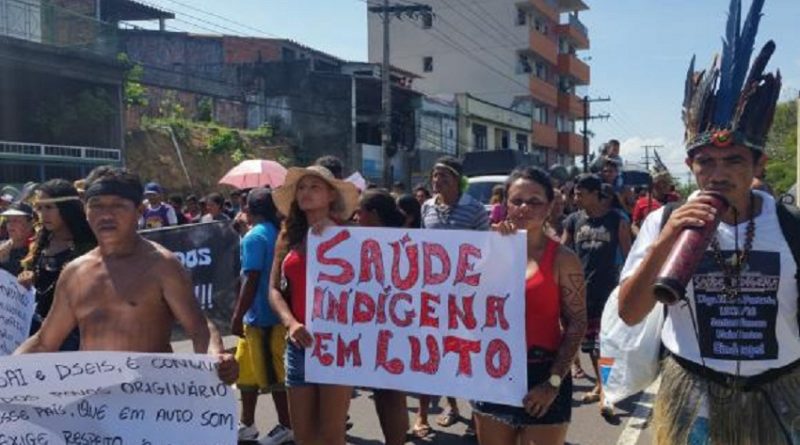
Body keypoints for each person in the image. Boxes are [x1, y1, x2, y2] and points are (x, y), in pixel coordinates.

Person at [618, 2, 799, 443]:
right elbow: (629, 312)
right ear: (691, 166)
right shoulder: (663, 221)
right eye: (706, 162)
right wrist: (669, 238)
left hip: (781, 399)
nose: (718, 173)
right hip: (694, 399)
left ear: (758, 163)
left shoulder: (791, 224)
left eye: (733, 160)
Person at [14, 167, 237, 384]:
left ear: (139, 211)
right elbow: (44, 342)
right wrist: (8, 373)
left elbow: (199, 328)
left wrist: (216, 357)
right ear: (85, 210)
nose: (106, 215)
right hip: (93, 405)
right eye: (97, 206)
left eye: (118, 206)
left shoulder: (162, 265)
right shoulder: (75, 273)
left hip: (151, 401)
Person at [473, 166, 587, 445]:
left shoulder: (563, 258)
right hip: (493, 371)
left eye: (535, 201)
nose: (525, 207)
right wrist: (494, 250)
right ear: (505, 205)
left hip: (544, 374)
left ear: (549, 206)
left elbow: (577, 322)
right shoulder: (483, 249)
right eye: (517, 200)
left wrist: (553, 383)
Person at [268, 165, 360, 445]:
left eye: (314, 187)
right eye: (302, 187)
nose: (306, 192)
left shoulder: (352, 234)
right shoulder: (288, 235)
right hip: (299, 345)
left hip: (337, 344)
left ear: (331, 195)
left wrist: (336, 236)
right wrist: (291, 322)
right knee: (305, 438)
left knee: (332, 437)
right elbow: (273, 290)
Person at [416, 156, 489, 437]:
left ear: (458, 180)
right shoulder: (426, 208)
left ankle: (475, 415)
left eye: (444, 176)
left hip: (467, 296)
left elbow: (486, 248)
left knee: (466, 353)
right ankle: (449, 407)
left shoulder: (475, 210)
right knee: (436, 351)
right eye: (435, 176)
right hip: (435, 295)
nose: (437, 181)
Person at [562, 174, 631, 414]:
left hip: (609, 291)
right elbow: (563, 251)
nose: (576, 197)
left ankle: (607, 390)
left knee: (608, 344)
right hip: (582, 291)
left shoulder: (616, 219)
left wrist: (628, 286)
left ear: (594, 193)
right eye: (575, 193)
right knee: (591, 345)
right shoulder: (573, 221)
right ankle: (603, 385)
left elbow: (629, 254)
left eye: (581, 193)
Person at [231, 187, 293, 444]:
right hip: (256, 319)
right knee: (245, 371)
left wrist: (237, 315)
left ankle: (287, 425)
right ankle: (247, 424)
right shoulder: (275, 232)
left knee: (274, 374)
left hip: (263, 318)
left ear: (248, 208)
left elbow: (251, 278)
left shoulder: (255, 237)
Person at [354, 189, 410, 445]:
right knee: (382, 390)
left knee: (392, 391)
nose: (356, 218)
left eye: (359, 212)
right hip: (374, 326)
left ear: (373, 214)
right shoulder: (361, 240)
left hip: (394, 327)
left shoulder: (399, 242)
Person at [17, 179, 97, 351]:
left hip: (78, 337)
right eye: (39, 208)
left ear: (67, 208)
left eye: (49, 207)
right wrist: (26, 279)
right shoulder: (41, 242)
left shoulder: (89, 245)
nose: (43, 214)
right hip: (38, 333)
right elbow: (31, 276)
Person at [631, 169, 674, 236]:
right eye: (663, 182)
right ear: (654, 185)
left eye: (667, 182)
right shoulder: (641, 202)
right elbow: (634, 225)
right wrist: (642, 238)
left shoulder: (674, 199)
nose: (666, 185)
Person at [0, 202, 35, 276]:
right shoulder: (2, 246)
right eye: (8, 220)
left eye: (16, 220)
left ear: (30, 223)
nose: (10, 224)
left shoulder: (36, 253)